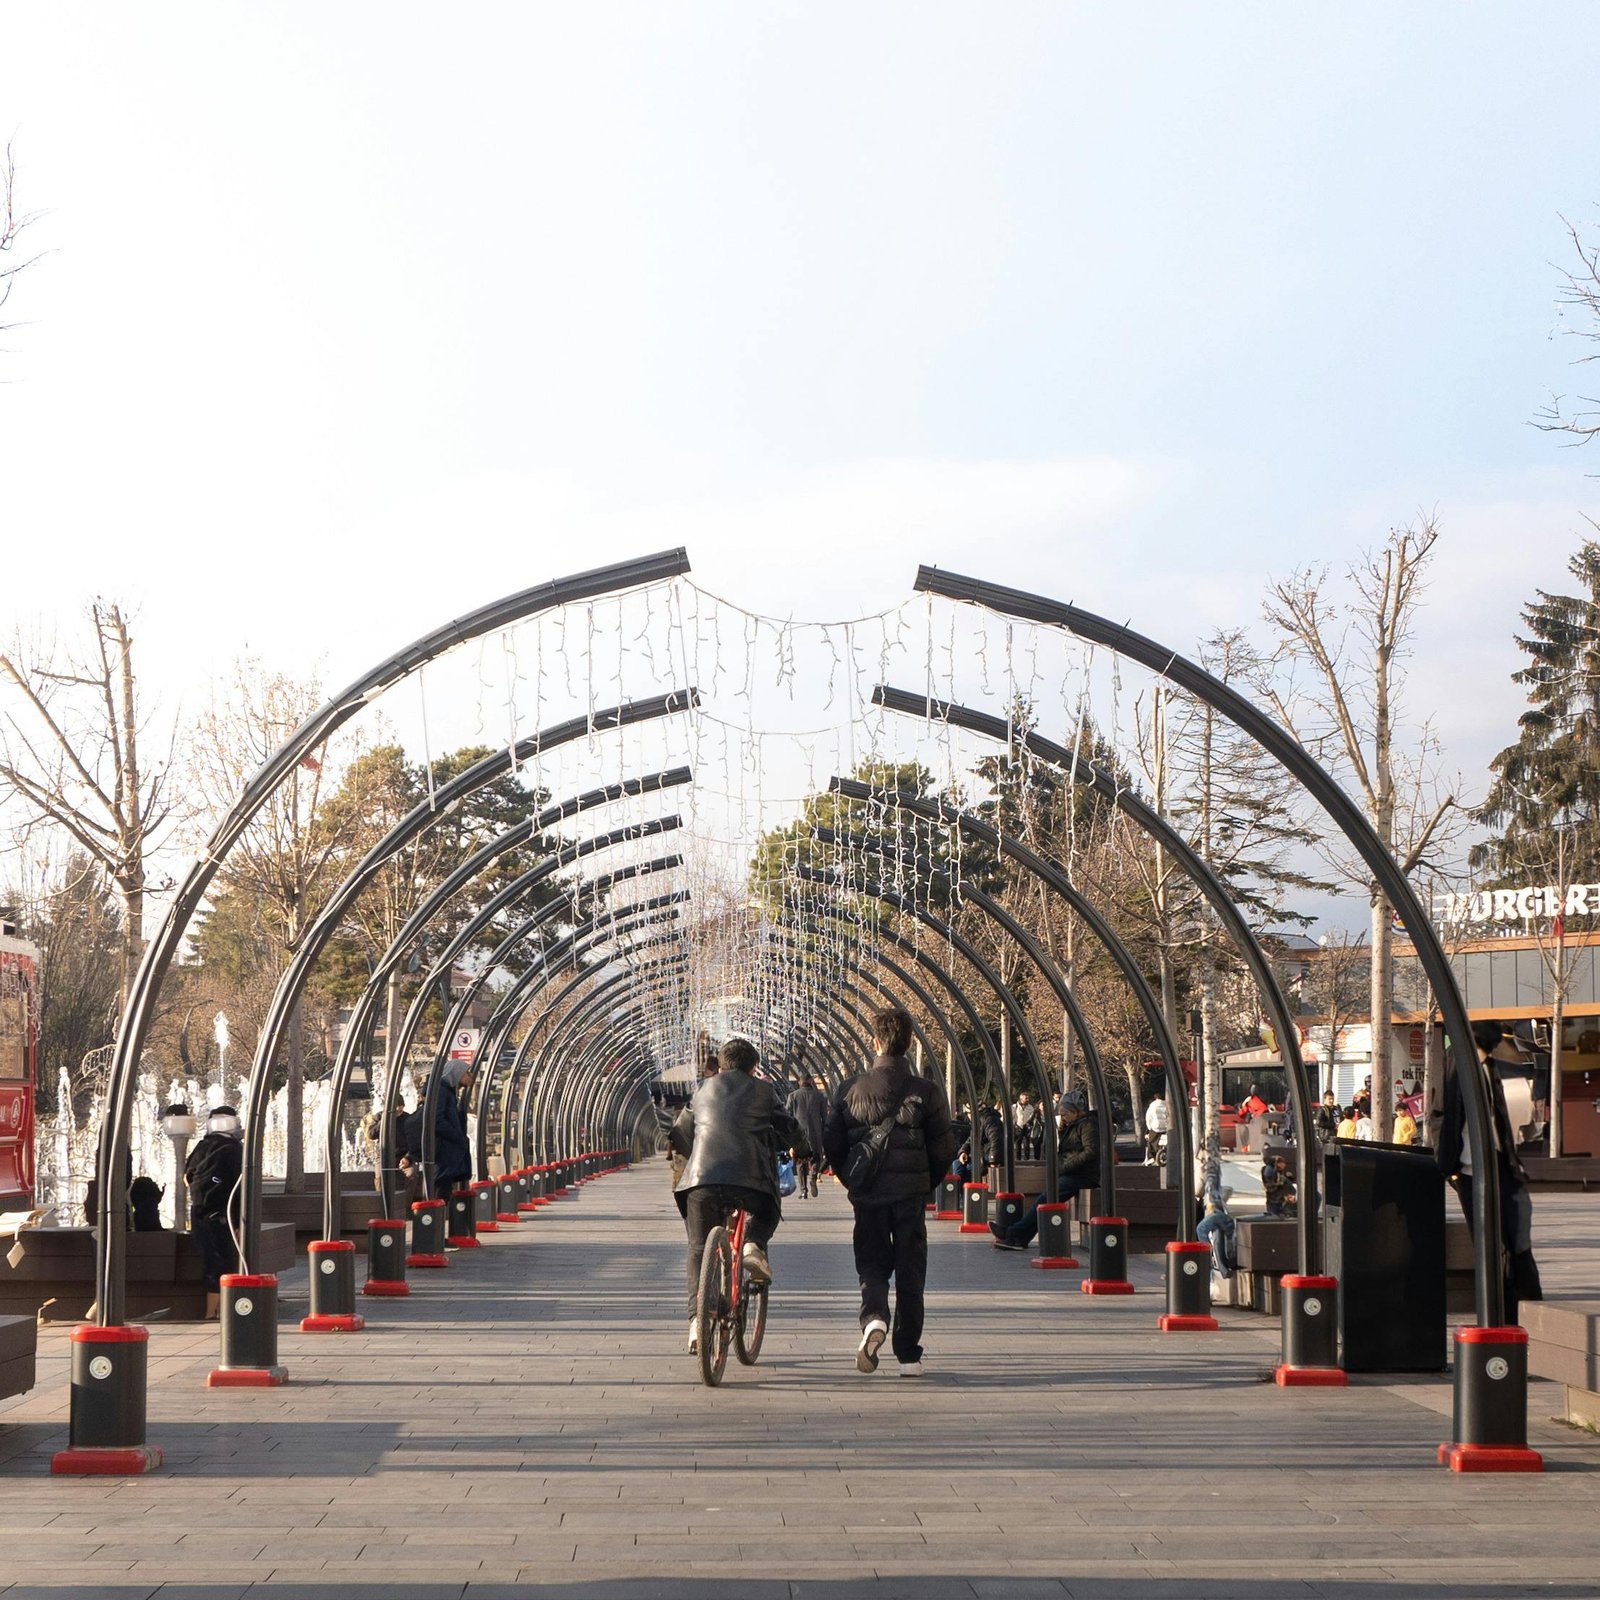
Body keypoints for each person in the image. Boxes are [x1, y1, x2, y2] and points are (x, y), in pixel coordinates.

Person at [823, 1006, 956, 1377]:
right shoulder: (926, 1091)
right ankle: (909, 1355)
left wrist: (852, 1179)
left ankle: (874, 1318)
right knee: (911, 1272)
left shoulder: (850, 1089)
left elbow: (831, 1144)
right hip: (910, 1195)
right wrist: (923, 1182)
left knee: (872, 1261)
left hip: (868, 1195)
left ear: (875, 1042)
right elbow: (944, 1147)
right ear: (909, 1044)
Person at [671, 1037, 799, 1354]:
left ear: (722, 1064)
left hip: (701, 1181)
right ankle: (754, 1245)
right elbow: (790, 1129)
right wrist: (805, 1150)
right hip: (750, 1181)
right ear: (753, 1067)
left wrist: (700, 1155)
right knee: (768, 1210)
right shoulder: (765, 1091)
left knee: (699, 1249)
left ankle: (697, 1323)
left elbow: (680, 1132)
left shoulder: (702, 1090)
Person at [1437, 1020, 1543, 1325]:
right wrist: (1450, 1168)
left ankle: (1524, 1308)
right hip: (1473, 1168)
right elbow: (1446, 1117)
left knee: (1516, 1240)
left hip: (1500, 1165)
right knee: (1494, 1245)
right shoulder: (1460, 1066)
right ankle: (1508, 1312)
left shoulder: (1490, 1068)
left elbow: (1500, 1122)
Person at [992, 1089, 1099, 1250]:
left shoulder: (1088, 1124)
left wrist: (1066, 1165)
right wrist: (1062, 1130)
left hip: (1083, 1175)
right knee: (1045, 1199)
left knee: (1047, 1197)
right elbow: (1071, 1146)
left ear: (1075, 1111)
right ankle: (1017, 1236)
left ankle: (1014, 1233)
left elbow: (1091, 1151)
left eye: (1064, 1114)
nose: (1062, 1117)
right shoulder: (1076, 1123)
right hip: (1073, 1173)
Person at [185, 1104, 244, 1320]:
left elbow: (187, 1176)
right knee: (222, 1261)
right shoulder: (235, 1149)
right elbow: (241, 1186)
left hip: (200, 1211)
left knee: (213, 1260)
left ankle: (213, 1312)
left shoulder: (203, 1146)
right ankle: (217, 1312)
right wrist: (238, 1221)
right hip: (224, 1213)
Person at [787, 1074, 829, 1199]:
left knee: (800, 1162)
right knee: (816, 1158)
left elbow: (787, 1116)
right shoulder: (819, 1096)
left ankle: (803, 1190)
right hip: (816, 1133)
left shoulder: (793, 1096)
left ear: (800, 1082)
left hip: (799, 1134)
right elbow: (825, 1117)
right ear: (811, 1081)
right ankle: (813, 1177)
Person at [1196, 1192, 1237, 1277]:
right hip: (1216, 1209)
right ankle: (1222, 1269)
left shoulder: (1212, 1181)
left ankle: (1208, 1257)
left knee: (1201, 1229)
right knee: (1218, 1239)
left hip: (1216, 1209)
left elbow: (1198, 1189)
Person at [1262, 1151, 1297, 1216]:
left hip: (1280, 1199)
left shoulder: (1278, 1172)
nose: (1285, 1165)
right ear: (1278, 1163)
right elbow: (1272, 1183)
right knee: (1275, 1214)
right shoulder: (1270, 1171)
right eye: (1283, 1163)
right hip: (1276, 1199)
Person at [1013, 1091, 1043, 1160]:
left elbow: (1032, 1116)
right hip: (1018, 1126)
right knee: (1018, 1144)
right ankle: (1018, 1159)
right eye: (1026, 1098)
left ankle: (1026, 1159)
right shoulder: (1015, 1106)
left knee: (1027, 1143)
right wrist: (1014, 1124)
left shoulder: (1030, 1107)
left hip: (1027, 1126)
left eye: (1028, 1098)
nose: (1027, 1100)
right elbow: (1013, 1116)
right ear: (1021, 1099)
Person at [1143, 1089, 1171, 1164]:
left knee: (1150, 1140)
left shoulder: (1152, 1105)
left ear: (1156, 1098)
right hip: (1166, 1127)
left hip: (1156, 1127)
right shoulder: (1167, 1104)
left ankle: (1151, 1156)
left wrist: (1149, 1128)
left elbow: (1148, 1117)